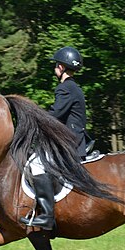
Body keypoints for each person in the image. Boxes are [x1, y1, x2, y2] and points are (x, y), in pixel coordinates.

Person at [20, 46, 87, 230]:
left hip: (70, 141)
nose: (55, 68)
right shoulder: (74, 88)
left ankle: (47, 216)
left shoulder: (65, 89)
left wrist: (33, 121)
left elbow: (55, 115)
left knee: (36, 163)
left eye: (56, 65)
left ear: (61, 67)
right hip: (74, 137)